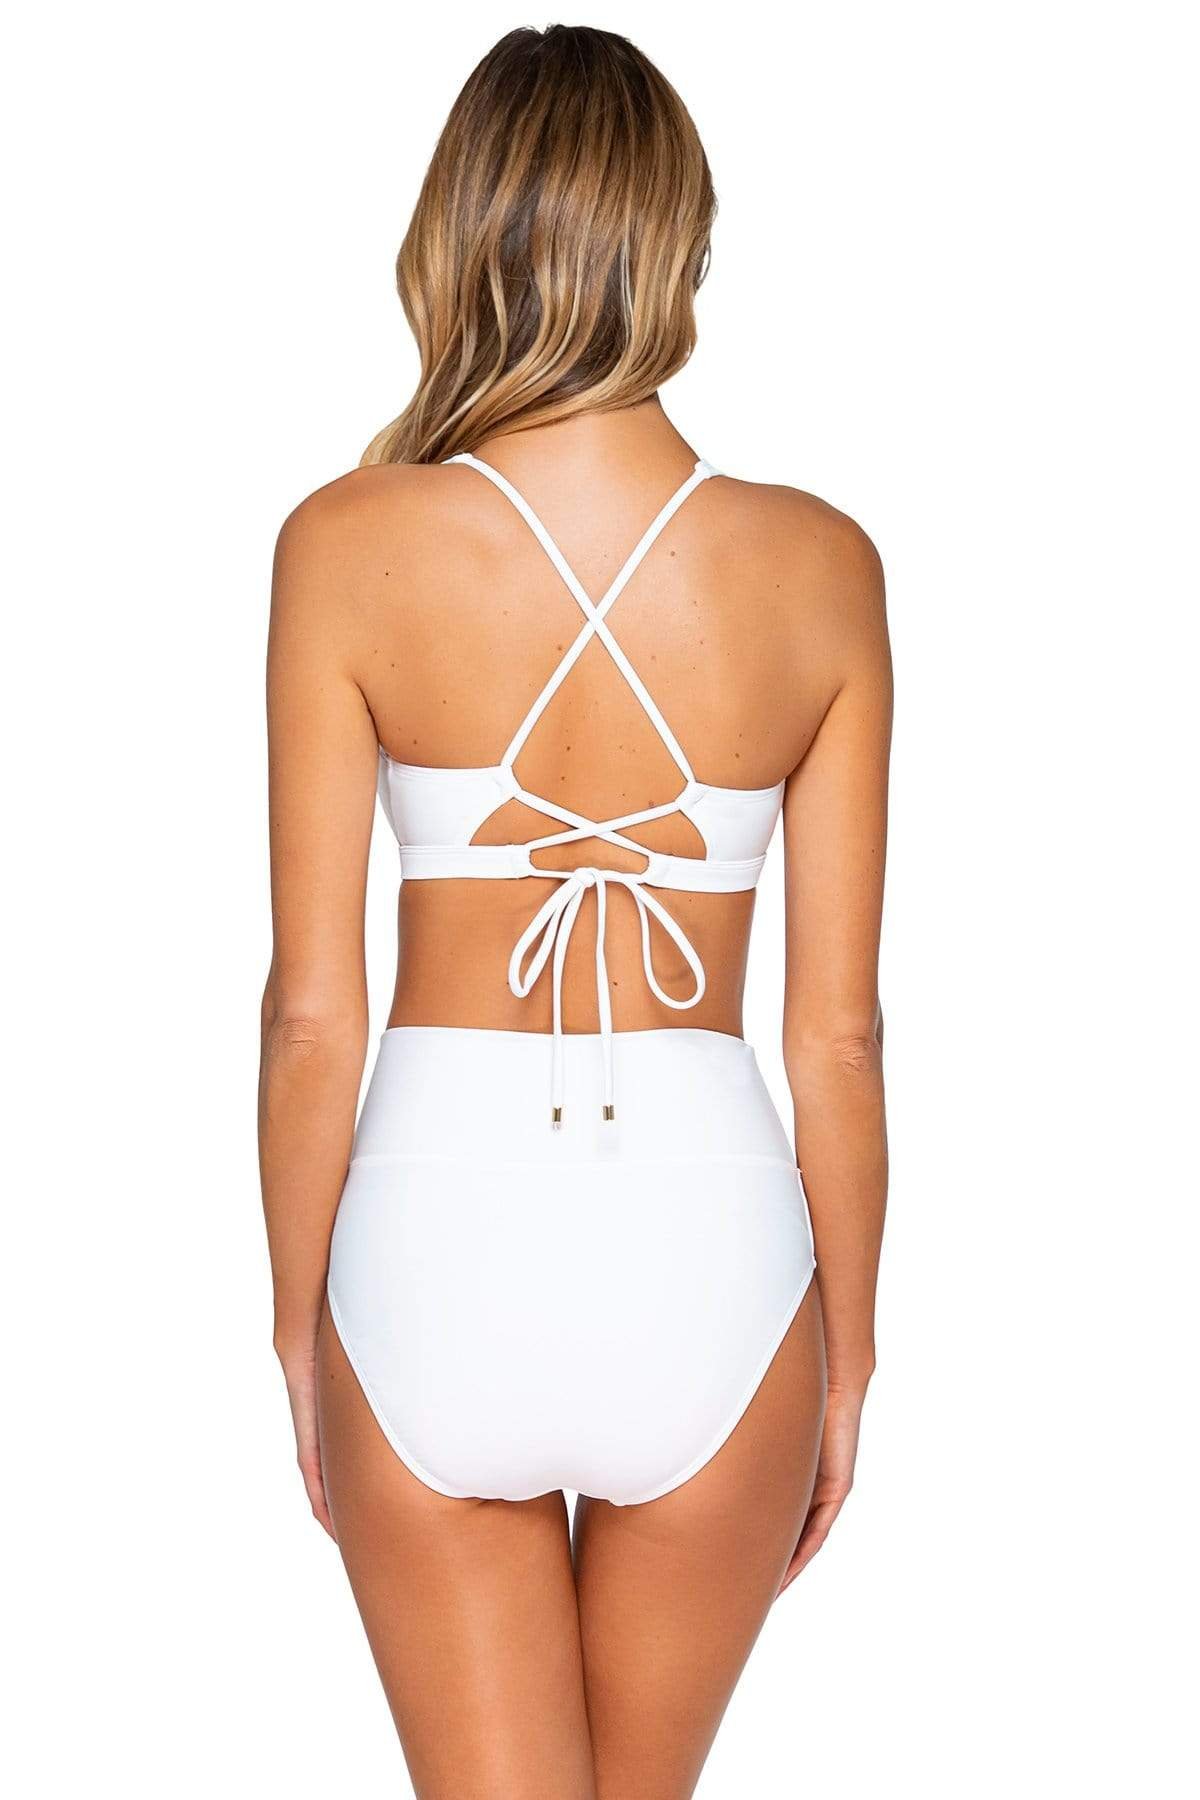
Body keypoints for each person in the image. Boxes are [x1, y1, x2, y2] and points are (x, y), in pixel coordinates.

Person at [259, 23, 890, 1798]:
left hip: (432, 1230)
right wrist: (848, 1367)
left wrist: (299, 1329)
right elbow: (837, 1037)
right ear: (681, 238)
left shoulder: (346, 542)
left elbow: (310, 1012)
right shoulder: (822, 564)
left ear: (458, 230)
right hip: (714, 1248)